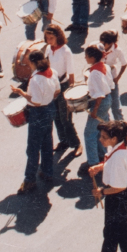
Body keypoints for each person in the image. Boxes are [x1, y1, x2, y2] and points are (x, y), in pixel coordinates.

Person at [90, 119, 127, 252]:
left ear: (114, 139)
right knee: (123, 229)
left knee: (111, 232)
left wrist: (101, 192)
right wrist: (100, 167)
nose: (101, 139)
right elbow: (113, 164)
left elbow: (119, 187)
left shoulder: (119, 157)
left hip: (117, 195)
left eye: (104, 137)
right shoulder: (121, 147)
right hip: (121, 193)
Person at [11, 49, 59, 193]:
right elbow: (57, 91)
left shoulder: (35, 79)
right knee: (47, 142)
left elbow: (36, 102)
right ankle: (47, 171)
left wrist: (20, 93)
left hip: (38, 113)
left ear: (32, 62)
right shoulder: (52, 72)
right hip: (50, 109)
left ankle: (29, 180)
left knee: (32, 148)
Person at [43, 23, 81, 156]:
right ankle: (64, 141)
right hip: (52, 87)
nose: (49, 40)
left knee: (65, 118)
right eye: (47, 37)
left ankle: (76, 144)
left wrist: (71, 91)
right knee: (56, 117)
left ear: (58, 36)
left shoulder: (66, 51)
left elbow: (71, 73)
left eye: (51, 37)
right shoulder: (48, 49)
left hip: (63, 87)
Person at [79, 44, 114, 176]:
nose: (85, 58)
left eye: (87, 56)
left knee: (89, 134)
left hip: (100, 103)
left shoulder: (94, 73)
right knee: (101, 130)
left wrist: (94, 111)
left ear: (92, 57)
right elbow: (110, 86)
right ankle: (102, 155)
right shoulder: (105, 67)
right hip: (108, 100)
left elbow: (99, 95)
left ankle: (93, 163)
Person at [100, 29, 127, 121]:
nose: (102, 46)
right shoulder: (99, 47)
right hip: (101, 79)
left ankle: (121, 127)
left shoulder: (117, 50)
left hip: (112, 79)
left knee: (115, 106)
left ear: (111, 43)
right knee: (103, 106)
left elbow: (124, 64)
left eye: (104, 44)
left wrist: (118, 77)